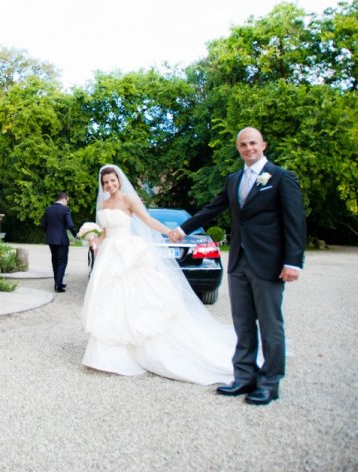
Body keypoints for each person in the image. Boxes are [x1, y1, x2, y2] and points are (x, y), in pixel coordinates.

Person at [169, 127, 306, 405]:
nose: (248, 148)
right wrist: (183, 229)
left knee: (270, 325)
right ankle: (244, 376)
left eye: (253, 143)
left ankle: (269, 382)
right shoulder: (234, 179)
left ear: (263, 145)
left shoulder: (281, 178)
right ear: (238, 148)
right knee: (242, 324)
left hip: (268, 262)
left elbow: (295, 221)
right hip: (239, 262)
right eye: (243, 144)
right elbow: (213, 208)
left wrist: (293, 261)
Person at [81, 165, 236, 385]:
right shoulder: (104, 204)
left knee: (136, 300)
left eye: (112, 181)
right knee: (110, 302)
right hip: (109, 257)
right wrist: (95, 241)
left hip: (128, 254)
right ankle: (107, 355)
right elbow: (105, 232)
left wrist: (170, 232)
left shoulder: (129, 201)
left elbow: (147, 221)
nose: (109, 185)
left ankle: (139, 349)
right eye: (105, 182)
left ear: (119, 181)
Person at [41, 192, 76, 293]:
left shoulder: (48, 209)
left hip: (51, 239)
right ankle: (58, 285)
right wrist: (75, 235)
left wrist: (50, 233)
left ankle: (57, 282)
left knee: (55, 261)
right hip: (62, 240)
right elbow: (70, 225)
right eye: (67, 201)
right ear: (64, 199)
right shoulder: (65, 209)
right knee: (62, 262)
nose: (67, 203)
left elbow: (43, 225)